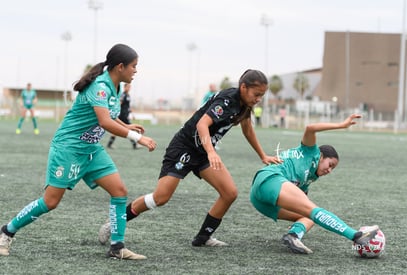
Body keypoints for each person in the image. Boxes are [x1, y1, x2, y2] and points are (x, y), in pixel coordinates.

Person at [0, 44, 157, 260]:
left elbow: (108, 115)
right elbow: (104, 121)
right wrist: (137, 138)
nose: (136, 71)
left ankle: (117, 247)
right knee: (50, 202)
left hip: (91, 150)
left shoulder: (115, 87)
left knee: (119, 191)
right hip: (68, 148)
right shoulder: (100, 86)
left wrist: (125, 125)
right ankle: (6, 232)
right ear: (120, 67)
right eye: (133, 66)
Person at [98, 69, 281, 247]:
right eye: (256, 94)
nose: (258, 100)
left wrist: (262, 155)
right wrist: (211, 152)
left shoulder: (244, 105)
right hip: (184, 148)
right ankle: (114, 223)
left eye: (261, 96)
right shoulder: (227, 100)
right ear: (243, 87)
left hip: (203, 151)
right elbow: (202, 124)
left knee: (229, 193)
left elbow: (247, 129)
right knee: (160, 198)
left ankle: (203, 237)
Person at [249, 114, 379, 254]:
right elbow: (310, 128)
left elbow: (302, 198)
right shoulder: (310, 151)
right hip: (269, 179)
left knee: (308, 216)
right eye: (330, 165)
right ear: (321, 156)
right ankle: (356, 236)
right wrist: (341, 125)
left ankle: (293, 236)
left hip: (261, 202)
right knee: (313, 210)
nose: (329, 170)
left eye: (332, 169)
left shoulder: (310, 178)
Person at [107, 83, 142, 149]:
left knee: (117, 130)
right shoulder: (123, 95)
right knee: (131, 129)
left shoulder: (128, 95)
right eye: (128, 87)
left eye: (130, 87)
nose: (129, 88)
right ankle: (135, 145)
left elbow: (128, 106)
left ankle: (109, 144)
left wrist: (132, 114)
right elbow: (119, 103)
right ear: (125, 87)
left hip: (125, 115)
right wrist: (116, 110)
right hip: (122, 115)